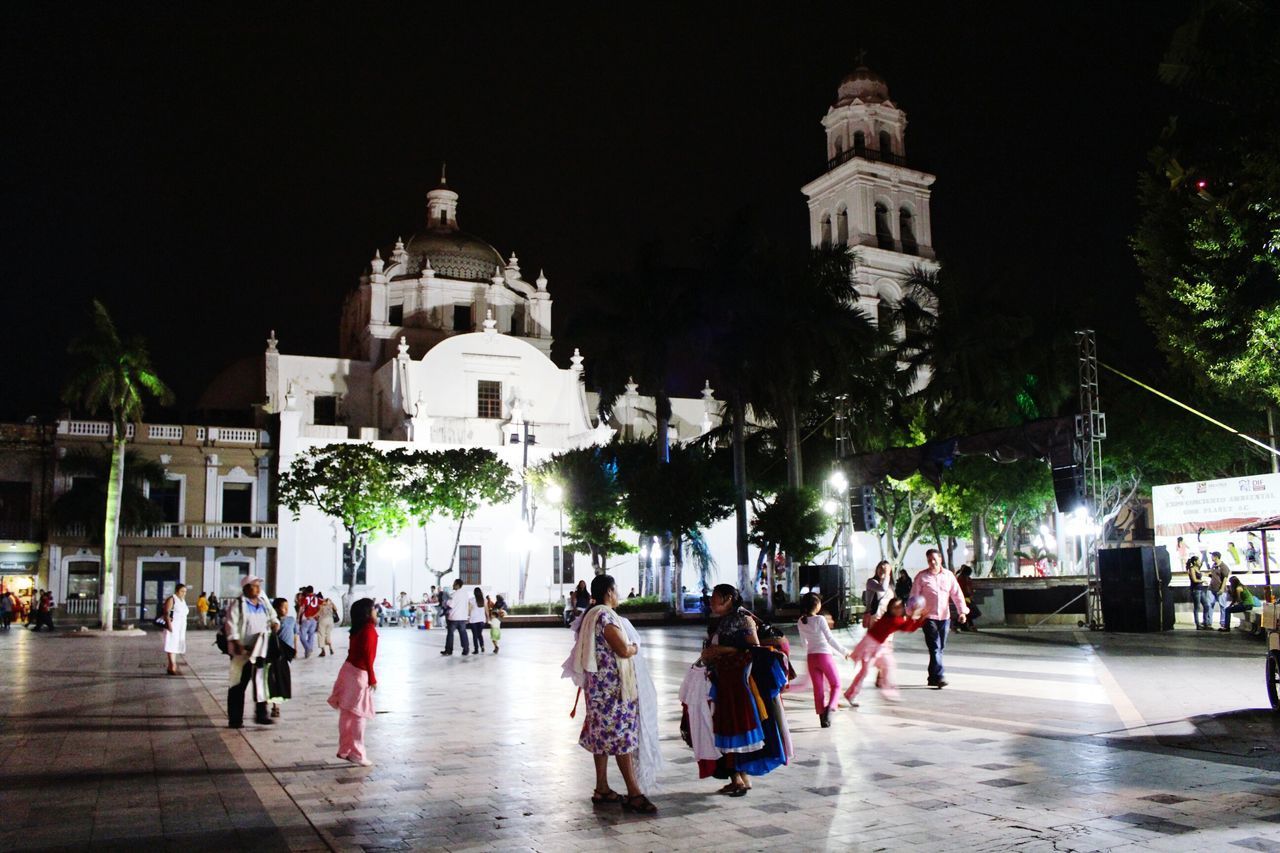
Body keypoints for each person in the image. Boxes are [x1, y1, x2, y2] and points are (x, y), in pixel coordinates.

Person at [562, 573, 660, 814]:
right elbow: (623, 649)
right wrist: (636, 646)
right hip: (613, 691)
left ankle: (602, 788)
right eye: (616, 591)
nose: (618, 596)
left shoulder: (589, 614)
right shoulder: (605, 615)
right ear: (608, 592)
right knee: (621, 738)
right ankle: (635, 793)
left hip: (596, 689)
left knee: (601, 737)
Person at [695, 584, 791, 797]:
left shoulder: (743, 619)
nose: (711, 601)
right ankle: (738, 778)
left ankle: (739, 778)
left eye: (715, 597)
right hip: (724, 681)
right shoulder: (721, 621)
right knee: (725, 728)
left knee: (735, 728)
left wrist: (721, 650)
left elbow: (754, 648)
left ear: (728, 598)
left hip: (739, 685)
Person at [844, 597, 926, 705]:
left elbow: (907, 627)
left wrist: (920, 618)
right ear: (890, 609)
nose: (898, 610)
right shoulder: (891, 620)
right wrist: (917, 616)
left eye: (900, 607)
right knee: (864, 672)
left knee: (889, 664)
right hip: (869, 645)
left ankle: (888, 691)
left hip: (880, 646)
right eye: (895, 607)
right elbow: (907, 628)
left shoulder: (895, 619)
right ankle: (850, 695)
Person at [224, 575, 280, 728]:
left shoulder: (262, 601)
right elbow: (231, 624)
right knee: (238, 685)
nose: (258, 588)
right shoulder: (238, 604)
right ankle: (235, 719)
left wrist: (275, 623)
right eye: (254, 585)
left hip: (260, 649)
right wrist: (236, 642)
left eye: (258, 585)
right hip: (242, 652)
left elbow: (273, 616)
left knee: (261, 682)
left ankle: (261, 714)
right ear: (246, 588)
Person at [328, 597, 378, 767]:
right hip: (359, 674)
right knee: (358, 716)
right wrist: (372, 678)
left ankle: (345, 749)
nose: (376, 612)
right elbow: (368, 657)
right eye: (374, 609)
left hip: (347, 671)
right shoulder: (369, 630)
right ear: (367, 613)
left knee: (346, 714)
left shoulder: (356, 629)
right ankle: (357, 752)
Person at [909, 549, 967, 688]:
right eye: (929, 560)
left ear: (940, 559)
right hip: (928, 617)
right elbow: (914, 596)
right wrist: (913, 614)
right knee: (935, 647)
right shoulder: (921, 577)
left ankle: (932, 677)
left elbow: (957, 594)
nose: (932, 562)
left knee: (939, 648)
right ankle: (939, 676)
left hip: (944, 617)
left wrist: (962, 612)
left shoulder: (948, 576)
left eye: (934, 559)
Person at [795, 592, 848, 728]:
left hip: (811, 657)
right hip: (824, 655)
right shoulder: (820, 619)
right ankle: (830, 709)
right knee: (836, 685)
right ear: (817, 605)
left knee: (818, 689)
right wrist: (844, 652)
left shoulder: (800, 621)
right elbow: (830, 639)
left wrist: (811, 646)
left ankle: (822, 718)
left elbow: (803, 644)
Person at [267, 598, 296, 718]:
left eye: (287, 607)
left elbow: (295, 634)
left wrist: (295, 648)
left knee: (283, 678)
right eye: (283, 607)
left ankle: (278, 702)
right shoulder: (273, 622)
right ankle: (275, 706)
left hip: (287, 654)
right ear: (277, 609)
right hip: (277, 653)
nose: (286, 610)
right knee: (276, 679)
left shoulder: (291, 620)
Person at [162, 583, 189, 675]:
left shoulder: (182, 600)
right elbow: (166, 613)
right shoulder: (172, 599)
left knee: (176, 645)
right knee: (171, 644)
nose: (184, 593)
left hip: (181, 626)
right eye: (182, 591)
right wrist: (169, 625)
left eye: (185, 591)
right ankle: (172, 665)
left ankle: (171, 666)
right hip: (173, 625)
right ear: (177, 591)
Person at [441, 578, 469, 656]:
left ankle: (449, 650)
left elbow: (450, 605)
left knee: (450, 634)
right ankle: (466, 649)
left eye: (454, 583)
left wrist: (445, 602)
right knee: (463, 634)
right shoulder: (465, 594)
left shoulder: (454, 594)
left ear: (457, 585)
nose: (453, 585)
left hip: (454, 618)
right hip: (463, 617)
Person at [1186, 556, 1213, 630]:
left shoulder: (1198, 569)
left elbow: (1201, 574)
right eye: (1198, 561)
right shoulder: (1192, 569)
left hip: (1201, 589)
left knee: (1206, 605)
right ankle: (1198, 624)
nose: (1200, 562)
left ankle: (1205, 622)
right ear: (1195, 562)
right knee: (1197, 607)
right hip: (1195, 590)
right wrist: (1202, 581)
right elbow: (1194, 580)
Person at [863, 561, 891, 629]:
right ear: (876, 569)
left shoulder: (889, 585)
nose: (882, 570)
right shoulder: (871, 582)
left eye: (885, 568)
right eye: (880, 568)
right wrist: (887, 574)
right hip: (874, 616)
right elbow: (883, 588)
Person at [1208, 553, 1231, 630]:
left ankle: (1223, 623)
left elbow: (1225, 578)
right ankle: (1209, 622)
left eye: (1212, 556)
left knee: (1222, 606)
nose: (1211, 557)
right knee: (1209, 604)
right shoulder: (1214, 565)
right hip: (1211, 588)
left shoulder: (1223, 566)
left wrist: (1222, 588)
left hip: (1220, 589)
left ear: (1216, 557)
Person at [956, 565, 980, 631]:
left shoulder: (959, 577)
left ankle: (963, 626)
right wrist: (970, 596)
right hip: (966, 598)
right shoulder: (965, 578)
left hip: (961, 598)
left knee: (966, 612)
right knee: (969, 612)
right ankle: (968, 625)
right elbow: (967, 589)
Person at [298, 586, 319, 658]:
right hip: (314, 619)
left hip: (306, 618)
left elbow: (301, 608)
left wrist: (298, 618)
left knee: (302, 636)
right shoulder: (317, 598)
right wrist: (315, 616)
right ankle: (308, 651)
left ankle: (308, 648)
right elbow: (321, 607)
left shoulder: (305, 598)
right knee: (311, 635)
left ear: (307, 591)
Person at [468, 587, 488, 653]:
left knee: (475, 635)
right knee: (479, 634)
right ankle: (482, 647)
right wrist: (488, 618)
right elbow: (486, 610)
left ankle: (476, 650)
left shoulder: (471, 600)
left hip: (473, 620)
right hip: (482, 620)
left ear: (474, 593)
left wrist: (468, 617)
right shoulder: (484, 600)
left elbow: (469, 610)